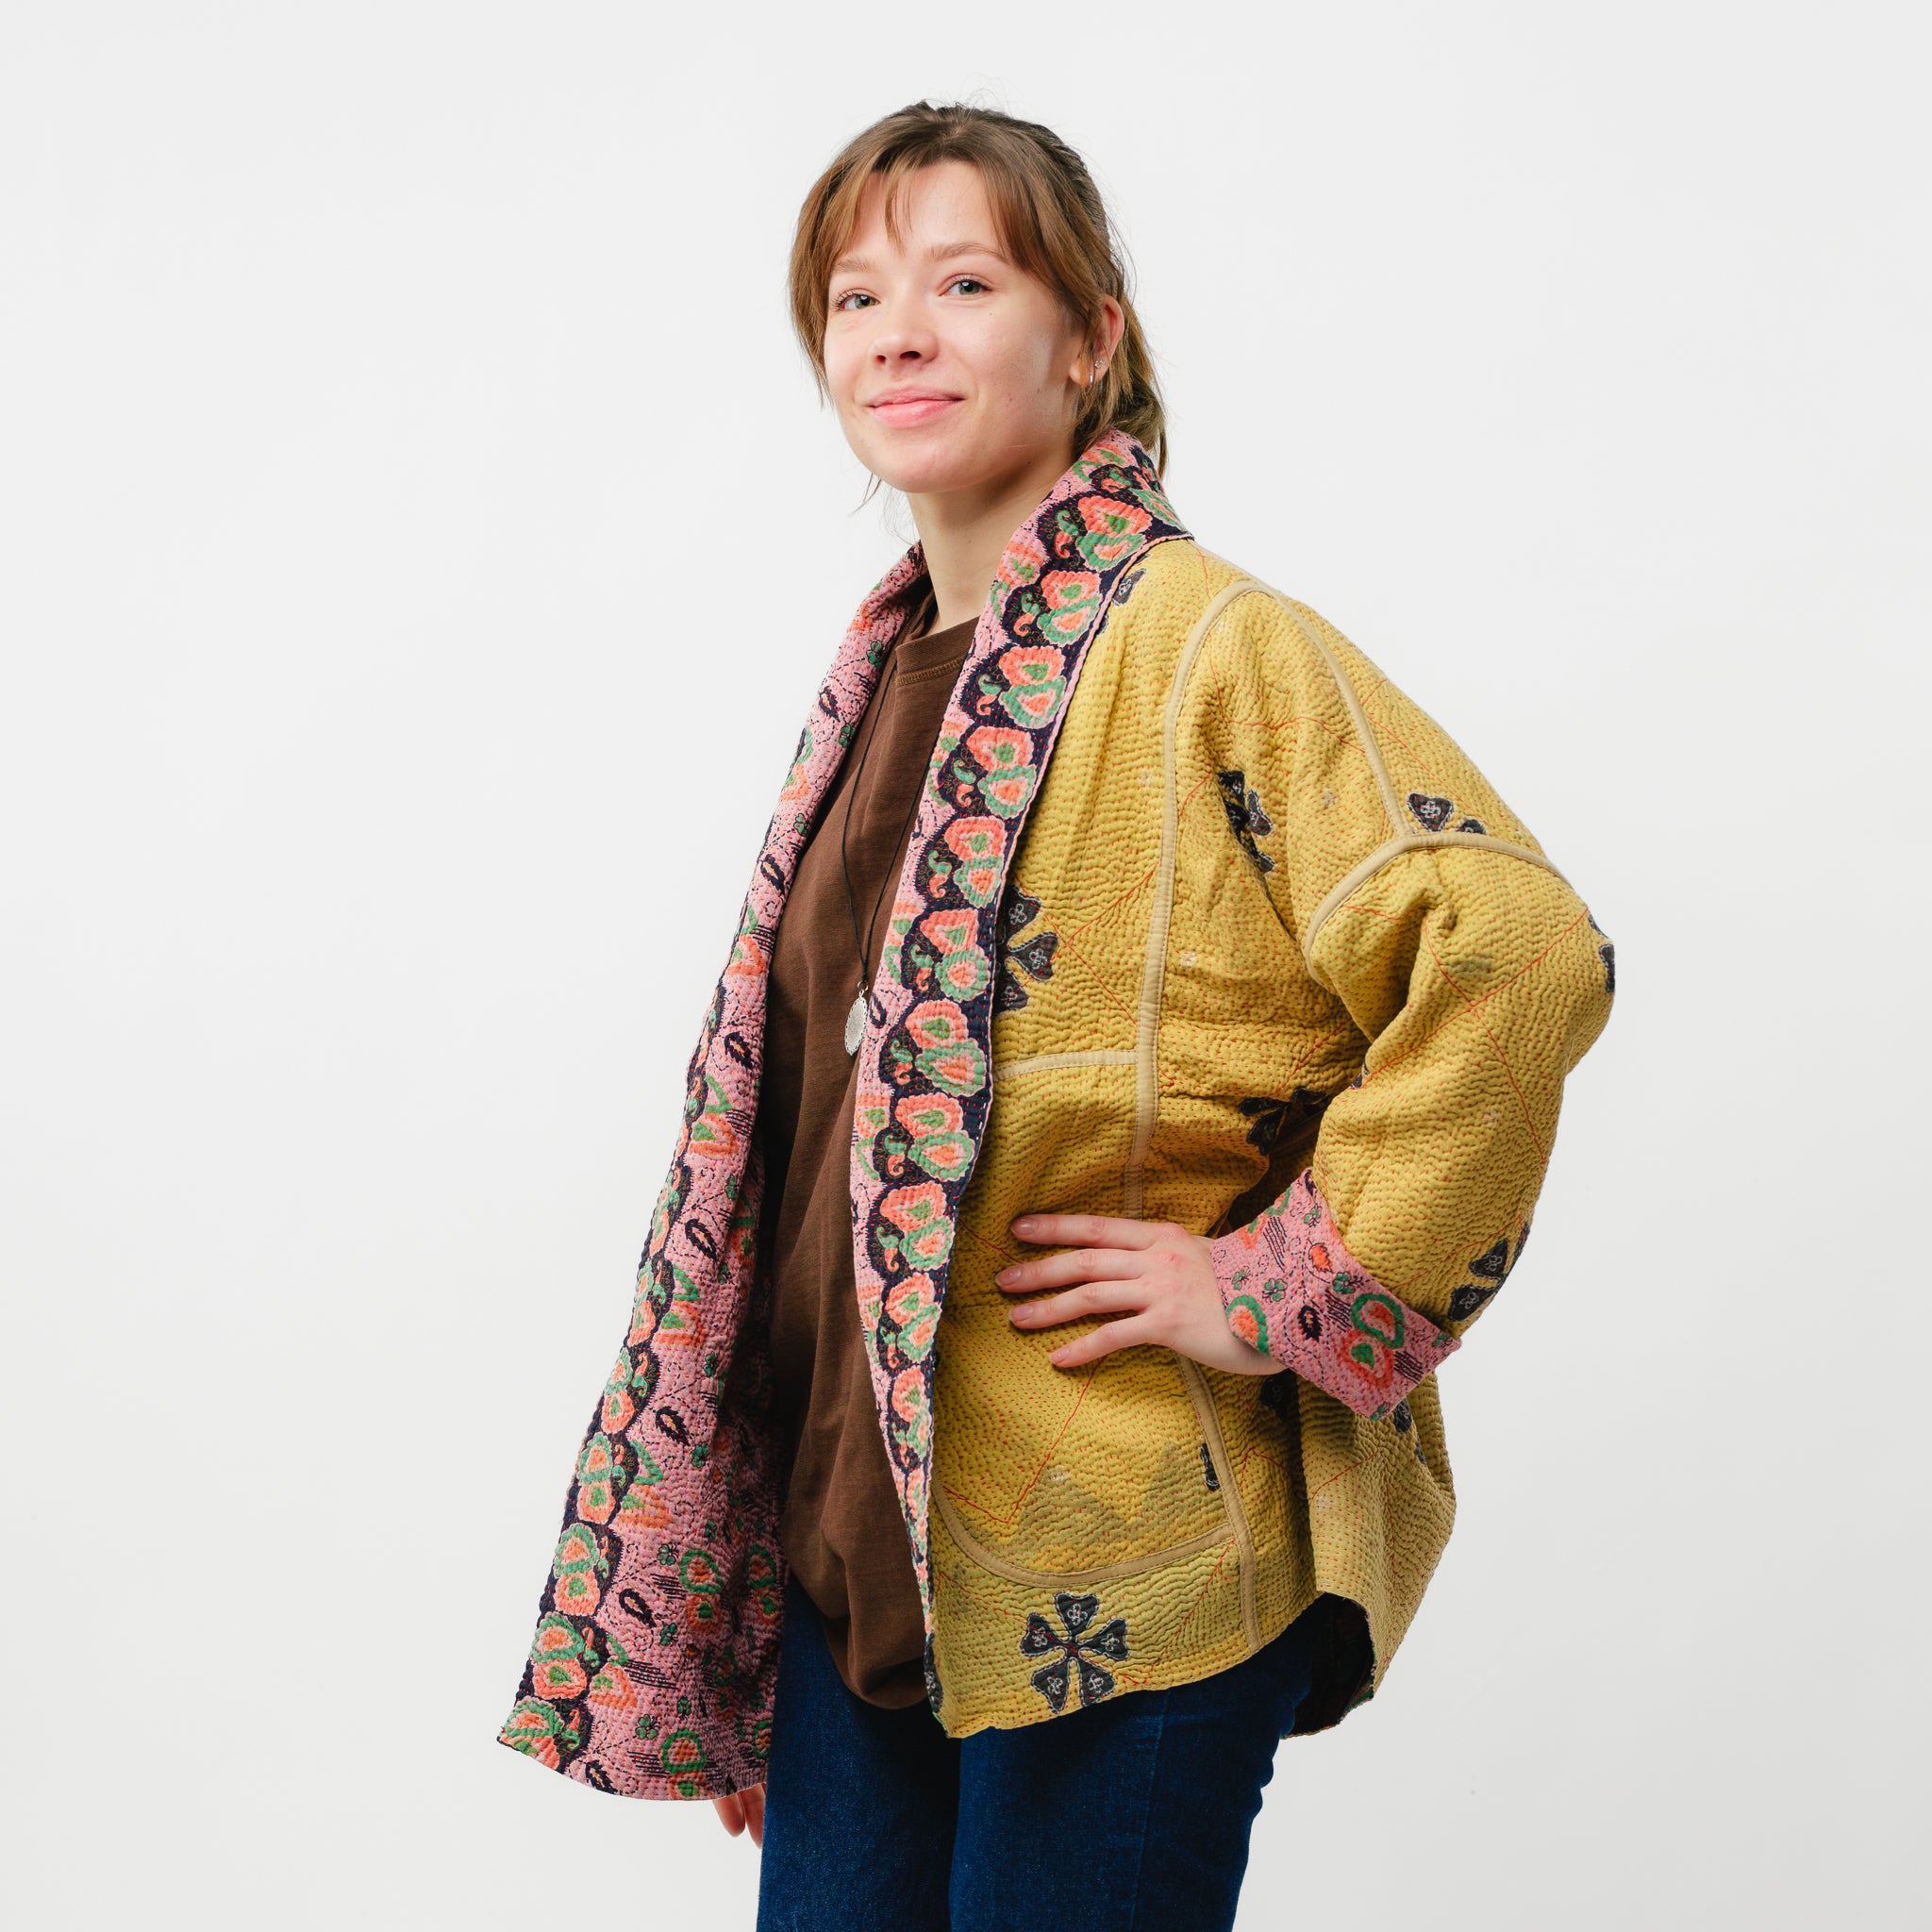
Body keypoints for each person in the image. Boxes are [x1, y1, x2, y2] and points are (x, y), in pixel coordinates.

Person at [497, 101, 1616, 1931]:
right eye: (855, 296)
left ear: (1092, 336)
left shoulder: (1206, 644)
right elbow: (805, 1168)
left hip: (1126, 1540)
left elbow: (1514, 951)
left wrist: (1270, 1282)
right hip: (866, 1568)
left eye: (964, 280)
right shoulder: (879, 678)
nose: (898, 333)